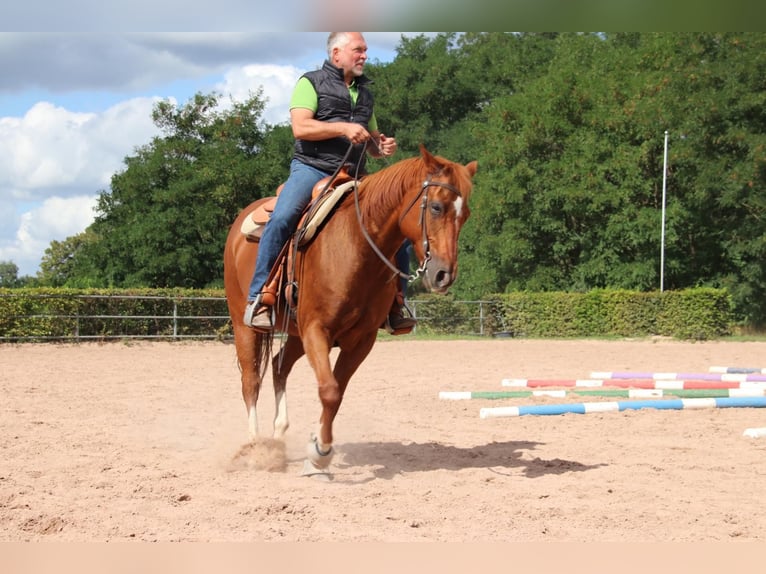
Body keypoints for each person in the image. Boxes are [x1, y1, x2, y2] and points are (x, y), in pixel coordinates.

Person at [243, 32, 416, 334]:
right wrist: (343, 128)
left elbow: (372, 142)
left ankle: (396, 303)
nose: (364, 55)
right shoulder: (310, 82)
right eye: (357, 50)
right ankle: (259, 297)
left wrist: (382, 147)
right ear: (336, 53)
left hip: (356, 175)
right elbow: (301, 127)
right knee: (283, 218)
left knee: (398, 227)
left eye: (365, 51)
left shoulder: (365, 94)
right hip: (312, 168)